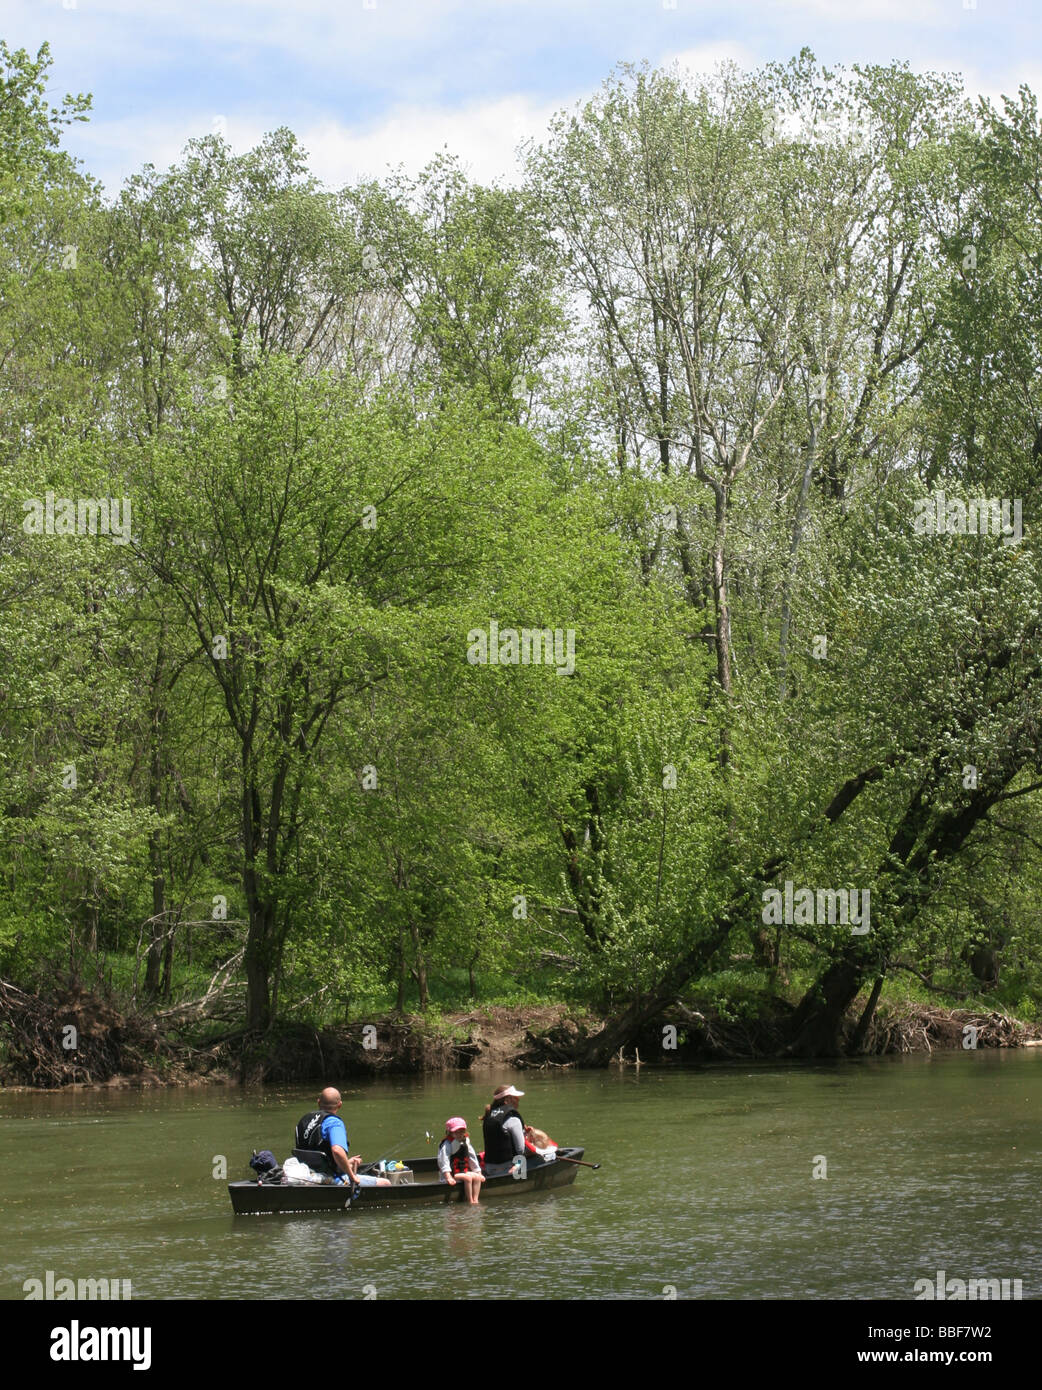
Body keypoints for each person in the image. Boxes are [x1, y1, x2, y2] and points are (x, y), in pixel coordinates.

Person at [294, 1087, 391, 1188]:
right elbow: (337, 1150)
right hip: (329, 1178)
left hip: (306, 1174)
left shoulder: (304, 1120)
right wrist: (352, 1176)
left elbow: (316, 1156)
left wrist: (347, 1162)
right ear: (340, 1105)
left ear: (318, 1102)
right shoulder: (333, 1123)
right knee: (386, 1183)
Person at [481, 1084, 534, 1178]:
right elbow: (520, 1150)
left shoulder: (488, 1116)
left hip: (489, 1167)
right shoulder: (513, 1119)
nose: (518, 1099)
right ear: (507, 1100)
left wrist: (524, 1133)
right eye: (515, 1097)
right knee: (540, 1159)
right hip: (508, 1167)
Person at [437, 1117, 484, 1204]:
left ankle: (475, 1200)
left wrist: (478, 1172)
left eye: (461, 1132)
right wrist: (448, 1176)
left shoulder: (466, 1141)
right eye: (456, 1132)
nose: (459, 1134)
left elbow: (472, 1157)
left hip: (462, 1171)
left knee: (477, 1177)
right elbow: (444, 1160)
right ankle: (470, 1201)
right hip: (452, 1174)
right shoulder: (447, 1144)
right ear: (450, 1132)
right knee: (468, 1178)